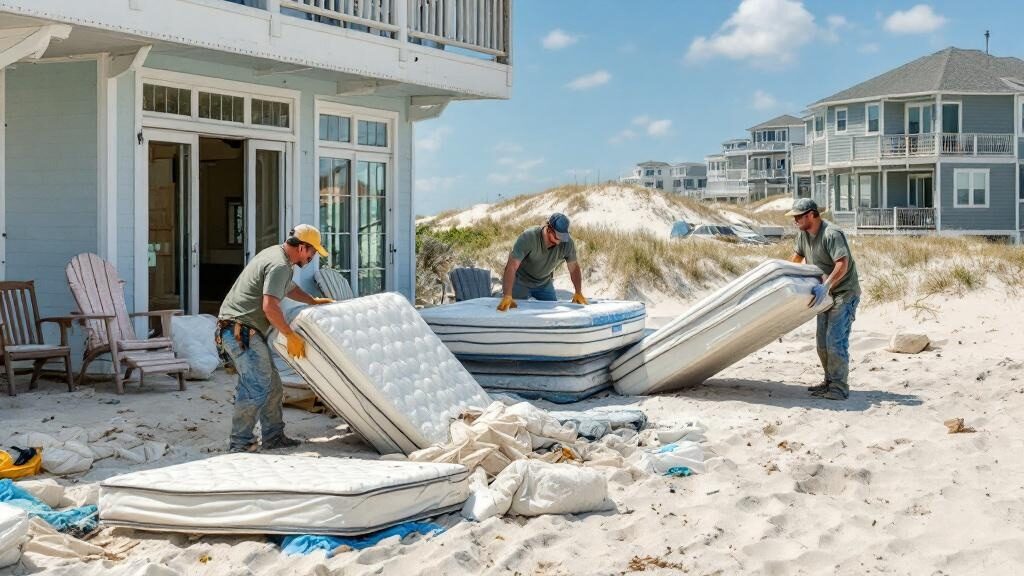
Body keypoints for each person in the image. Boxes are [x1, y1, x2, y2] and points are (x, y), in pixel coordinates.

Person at [215, 224, 333, 452]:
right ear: (302, 247)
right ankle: (240, 444)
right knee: (256, 386)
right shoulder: (280, 265)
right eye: (312, 252)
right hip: (240, 331)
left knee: (273, 386)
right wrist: (289, 335)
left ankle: (273, 437)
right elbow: (270, 307)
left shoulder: (275, 255)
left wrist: (312, 301)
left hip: (241, 329)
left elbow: (288, 288)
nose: (312, 257)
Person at [786, 198, 861, 401]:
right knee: (822, 343)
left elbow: (842, 264)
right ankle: (829, 381)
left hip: (844, 292)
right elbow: (795, 260)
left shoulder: (831, 234)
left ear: (811, 215)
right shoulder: (803, 235)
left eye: (798, 217)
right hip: (824, 294)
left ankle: (839, 387)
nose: (795, 221)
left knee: (835, 340)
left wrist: (826, 286)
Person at [497, 213, 587, 311]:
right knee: (512, 311)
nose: (559, 242)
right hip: (521, 281)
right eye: (557, 238)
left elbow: (573, 268)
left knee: (552, 312)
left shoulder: (567, 243)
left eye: (562, 238)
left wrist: (578, 292)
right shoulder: (529, 237)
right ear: (549, 229)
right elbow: (511, 267)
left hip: (544, 283)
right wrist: (507, 295)